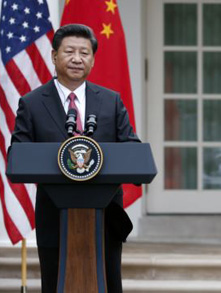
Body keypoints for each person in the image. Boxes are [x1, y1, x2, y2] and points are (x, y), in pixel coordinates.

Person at [10, 24, 139, 292]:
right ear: (54, 56)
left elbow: (132, 151)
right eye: (69, 51)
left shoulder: (111, 101)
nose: (77, 58)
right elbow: (18, 155)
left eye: (85, 52)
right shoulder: (32, 103)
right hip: (55, 216)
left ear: (92, 59)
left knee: (108, 283)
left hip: (104, 217)